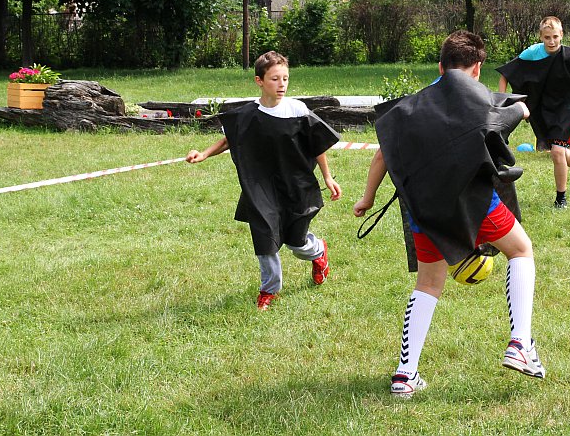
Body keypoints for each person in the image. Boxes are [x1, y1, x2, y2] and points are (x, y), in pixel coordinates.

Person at [353, 30, 543, 397]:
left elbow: (382, 153)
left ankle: (405, 375)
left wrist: (367, 197)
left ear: (440, 66)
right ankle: (520, 344)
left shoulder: (411, 106)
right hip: (473, 204)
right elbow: (495, 125)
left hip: (423, 211)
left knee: (428, 284)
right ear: (477, 69)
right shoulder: (477, 96)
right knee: (521, 250)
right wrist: (519, 109)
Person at [186, 51, 342, 309]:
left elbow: (317, 144)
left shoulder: (297, 110)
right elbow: (228, 140)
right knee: (264, 237)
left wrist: (327, 176)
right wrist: (202, 154)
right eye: (274, 79)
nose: (281, 85)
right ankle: (269, 289)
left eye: (285, 79)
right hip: (260, 187)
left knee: (296, 242)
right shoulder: (247, 114)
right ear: (259, 81)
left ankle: (319, 251)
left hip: (296, 185)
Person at [497, 16, 570, 208]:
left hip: (567, 107)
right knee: (558, 149)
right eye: (547, 37)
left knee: (556, 151)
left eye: (555, 36)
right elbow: (507, 73)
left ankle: (561, 198)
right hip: (543, 108)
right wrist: (502, 103)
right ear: (541, 36)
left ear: (562, 35)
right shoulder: (532, 53)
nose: (552, 41)